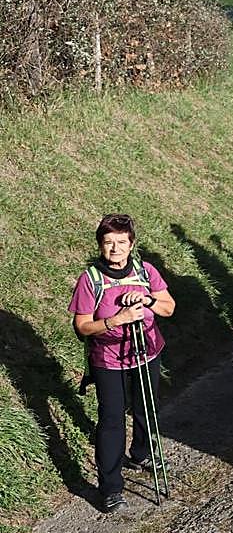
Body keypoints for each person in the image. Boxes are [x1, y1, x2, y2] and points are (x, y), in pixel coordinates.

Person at [70, 214, 177, 512]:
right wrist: (117, 320)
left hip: (147, 351)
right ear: (100, 245)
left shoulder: (146, 271)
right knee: (112, 420)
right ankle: (111, 487)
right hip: (108, 359)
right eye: (108, 242)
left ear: (131, 244)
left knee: (147, 407)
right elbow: (83, 326)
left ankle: (142, 453)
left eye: (121, 242)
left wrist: (147, 301)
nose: (115, 248)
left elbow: (168, 307)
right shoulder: (90, 279)